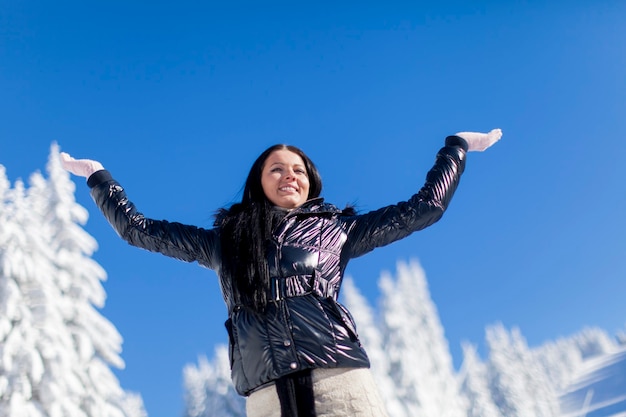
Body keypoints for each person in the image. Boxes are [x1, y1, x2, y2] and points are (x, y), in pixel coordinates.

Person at [60, 128, 502, 417]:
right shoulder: (223, 242)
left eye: (299, 170)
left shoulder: (338, 232)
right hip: (267, 396)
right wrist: (99, 178)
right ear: (259, 182)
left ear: (310, 181)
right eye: (277, 169)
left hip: (340, 383)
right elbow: (139, 231)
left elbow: (425, 207)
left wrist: (456, 147)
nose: (289, 175)